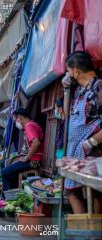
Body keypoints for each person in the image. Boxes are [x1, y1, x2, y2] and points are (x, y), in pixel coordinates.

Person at [62, 51, 102, 214]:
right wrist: (66, 91)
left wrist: (91, 142)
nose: (68, 74)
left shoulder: (99, 87)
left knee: (96, 192)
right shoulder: (79, 90)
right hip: (75, 150)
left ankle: (94, 233)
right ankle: (85, 231)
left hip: (94, 149)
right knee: (71, 191)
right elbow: (67, 116)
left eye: (68, 70)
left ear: (76, 71)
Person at [1, 108, 44, 191]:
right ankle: (15, 188)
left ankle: (9, 194)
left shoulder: (29, 126)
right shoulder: (31, 125)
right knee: (4, 164)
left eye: (16, 120)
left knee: (5, 171)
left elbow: (36, 142)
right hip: (31, 158)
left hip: (34, 161)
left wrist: (26, 158)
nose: (16, 122)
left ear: (20, 117)